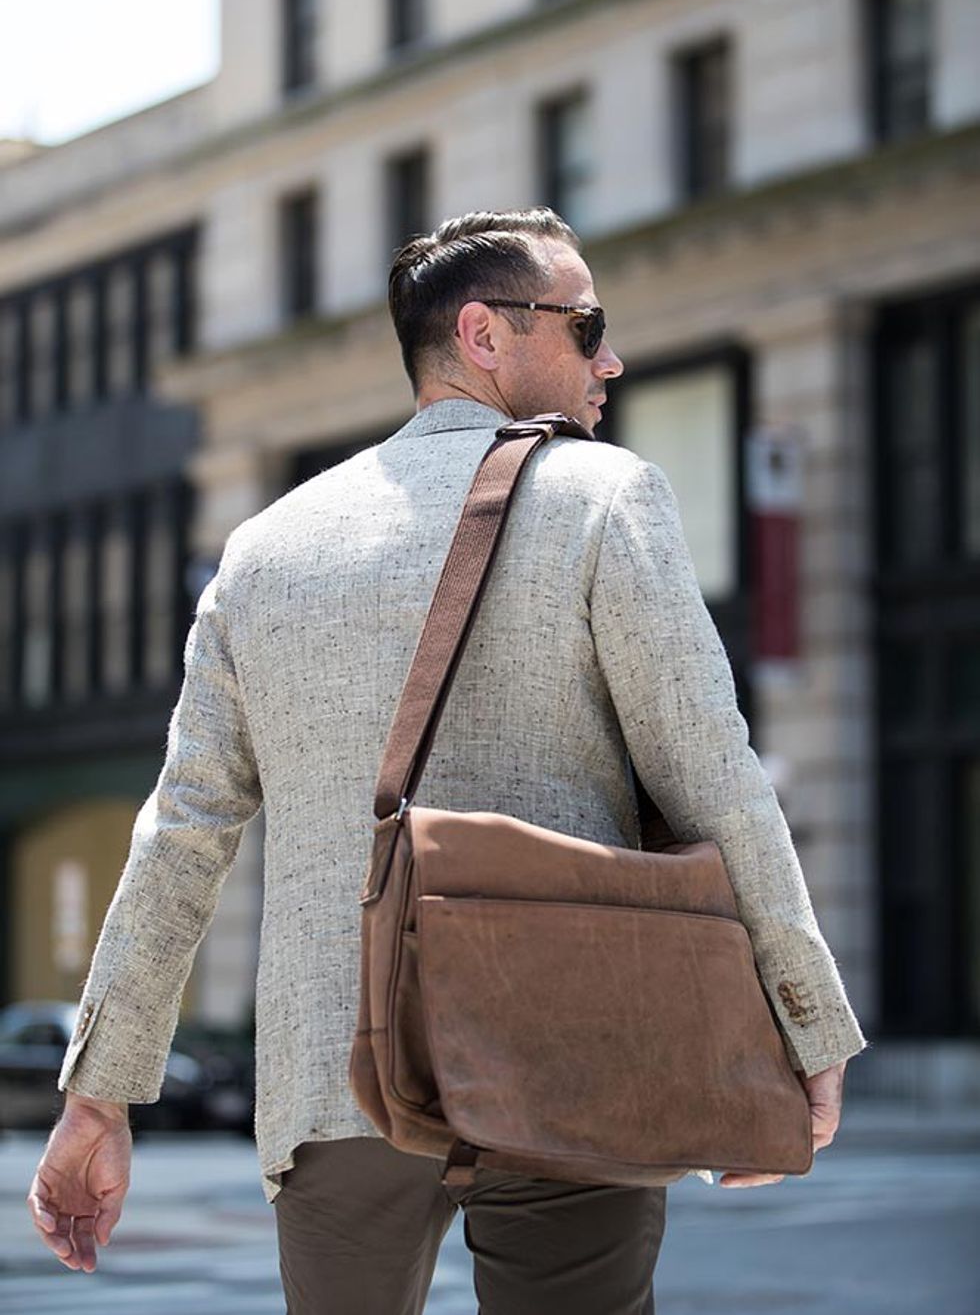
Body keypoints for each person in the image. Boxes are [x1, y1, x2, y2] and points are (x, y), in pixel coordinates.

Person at [27, 207, 867, 1314]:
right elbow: (711, 774)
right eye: (584, 325)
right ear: (484, 334)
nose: (607, 357)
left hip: (337, 1076)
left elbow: (181, 834)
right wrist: (803, 1022)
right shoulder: (606, 496)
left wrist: (100, 1096)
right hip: (571, 1061)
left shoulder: (265, 550)